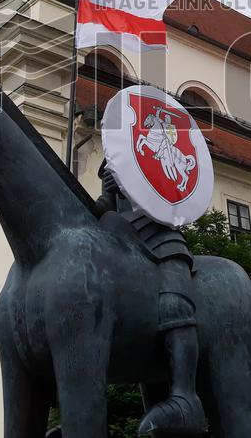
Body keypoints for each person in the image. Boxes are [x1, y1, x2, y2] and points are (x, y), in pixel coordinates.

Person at [94, 162, 206, 435]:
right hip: (119, 242)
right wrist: (106, 195)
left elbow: (176, 191)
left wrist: (134, 181)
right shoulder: (114, 151)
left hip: (160, 237)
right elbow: (103, 209)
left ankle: (185, 396)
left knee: (174, 305)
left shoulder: (162, 144)